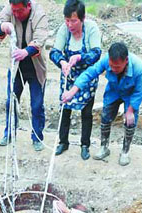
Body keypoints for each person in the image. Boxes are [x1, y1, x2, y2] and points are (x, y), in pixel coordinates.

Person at [62, 42, 142, 166]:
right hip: (113, 91)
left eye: (117, 67)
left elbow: (140, 91)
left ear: (126, 60)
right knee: (105, 117)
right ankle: (104, 147)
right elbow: (90, 73)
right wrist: (72, 91)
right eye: (111, 66)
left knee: (130, 121)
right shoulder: (106, 60)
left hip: (131, 94)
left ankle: (125, 151)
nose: (113, 69)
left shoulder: (139, 68)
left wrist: (130, 110)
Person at [49, 0, 101, 160]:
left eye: (73, 20)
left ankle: (84, 144)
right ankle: (63, 142)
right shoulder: (64, 30)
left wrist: (80, 57)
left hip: (87, 77)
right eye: (67, 20)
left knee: (86, 112)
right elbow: (54, 52)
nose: (70, 24)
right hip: (69, 75)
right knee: (65, 109)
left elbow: (96, 53)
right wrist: (63, 62)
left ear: (82, 18)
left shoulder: (91, 29)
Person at [0, 0, 48, 152]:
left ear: (28, 6)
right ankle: (9, 133)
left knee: (36, 105)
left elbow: (40, 40)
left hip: (35, 67)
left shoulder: (39, 14)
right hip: (16, 67)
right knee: (11, 101)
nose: (16, 14)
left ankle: (37, 137)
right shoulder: (10, 9)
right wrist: (2, 26)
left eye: (19, 11)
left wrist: (25, 52)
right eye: (14, 11)